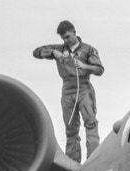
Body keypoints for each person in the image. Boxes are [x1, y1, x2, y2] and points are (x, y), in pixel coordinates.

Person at [33, 20, 104, 163]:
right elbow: (36, 52)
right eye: (63, 38)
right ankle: (73, 163)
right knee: (71, 129)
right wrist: (53, 53)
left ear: (74, 32)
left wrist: (85, 66)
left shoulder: (89, 49)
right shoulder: (59, 49)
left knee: (90, 123)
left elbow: (99, 70)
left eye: (67, 37)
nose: (66, 40)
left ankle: (93, 160)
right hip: (67, 90)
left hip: (83, 88)